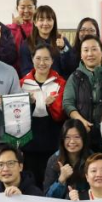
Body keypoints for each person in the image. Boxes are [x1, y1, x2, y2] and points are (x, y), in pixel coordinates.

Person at [61, 36, 102, 154]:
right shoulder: (74, 77)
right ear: (81, 55)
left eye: (94, 49)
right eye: (86, 50)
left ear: (101, 53)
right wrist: (80, 121)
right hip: (83, 133)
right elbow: (67, 103)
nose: (90, 54)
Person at [18, 45, 66, 185]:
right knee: (30, 182)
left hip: (53, 141)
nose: (42, 63)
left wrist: (52, 105)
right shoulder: (22, 83)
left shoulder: (61, 83)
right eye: (38, 58)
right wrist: (30, 103)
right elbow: (17, 115)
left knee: (50, 181)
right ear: (32, 59)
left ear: (52, 61)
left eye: (46, 59)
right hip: (28, 143)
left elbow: (61, 115)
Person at [17, 5, 76, 78]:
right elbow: (26, 71)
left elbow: (71, 68)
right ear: (35, 22)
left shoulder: (61, 40)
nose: (45, 23)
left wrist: (63, 49)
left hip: (59, 82)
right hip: (35, 83)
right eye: (41, 20)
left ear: (54, 22)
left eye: (49, 19)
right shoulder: (27, 44)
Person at [43, 120, 92, 199]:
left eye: (77, 137)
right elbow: (47, 197)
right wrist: (61, 180)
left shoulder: (92, 159)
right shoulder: (54, 160)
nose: (72, 141)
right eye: (67, 137)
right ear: (62, 139)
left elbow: (98, 191)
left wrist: (80, 196)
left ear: (84, 138)